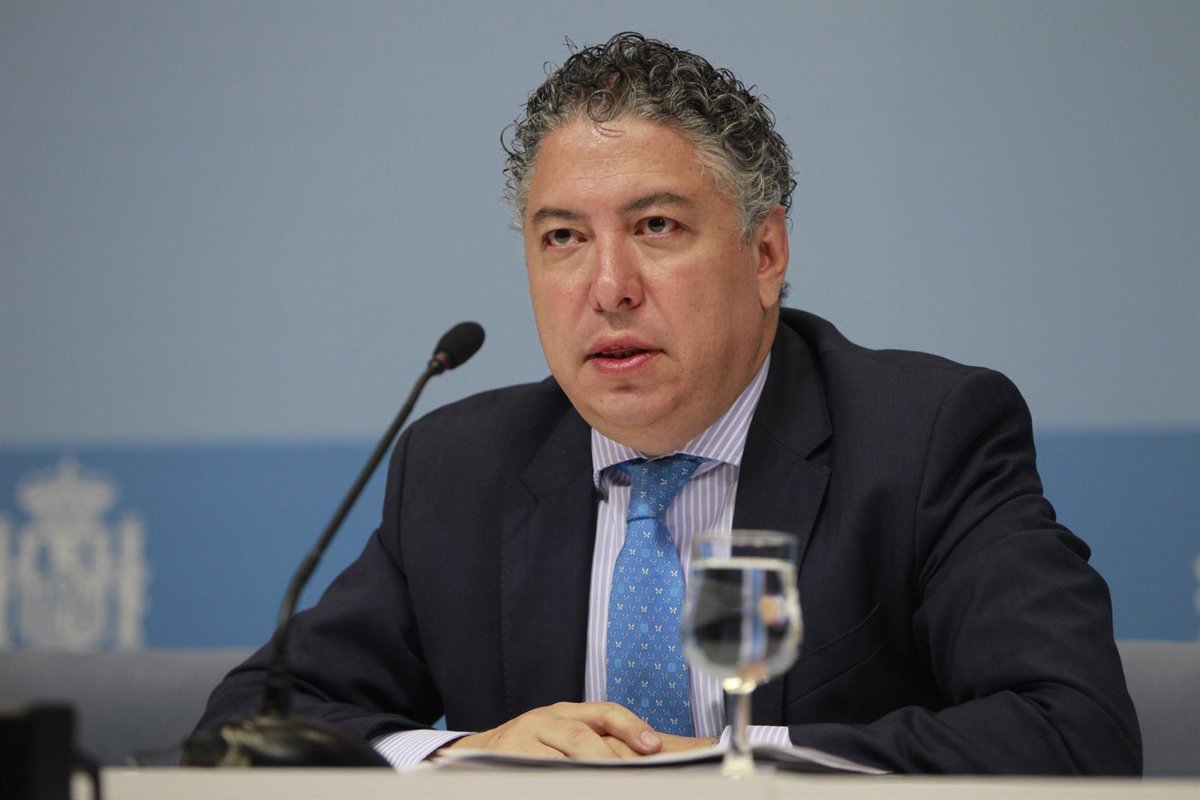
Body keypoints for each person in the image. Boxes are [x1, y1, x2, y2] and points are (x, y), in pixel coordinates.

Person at [196, 32, 1141, 774]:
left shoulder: (923, 437)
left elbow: (1073, 730)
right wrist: (467, 755)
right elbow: (245, 723)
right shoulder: (460, 467)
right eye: (563, 238)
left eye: (655, 226)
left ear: (765, 254)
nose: (608, 287)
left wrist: (722, 766)